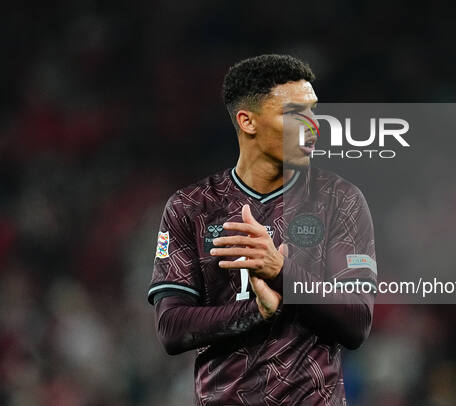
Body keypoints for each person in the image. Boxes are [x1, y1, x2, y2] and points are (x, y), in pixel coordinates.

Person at [148, 54, 377, 405]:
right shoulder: (191, 207)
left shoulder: (339, 200)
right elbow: (171, 328)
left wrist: (282, 272)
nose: (314, 125)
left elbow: (357, 321)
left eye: (314, 110)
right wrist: (256, 312)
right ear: (247, 122)